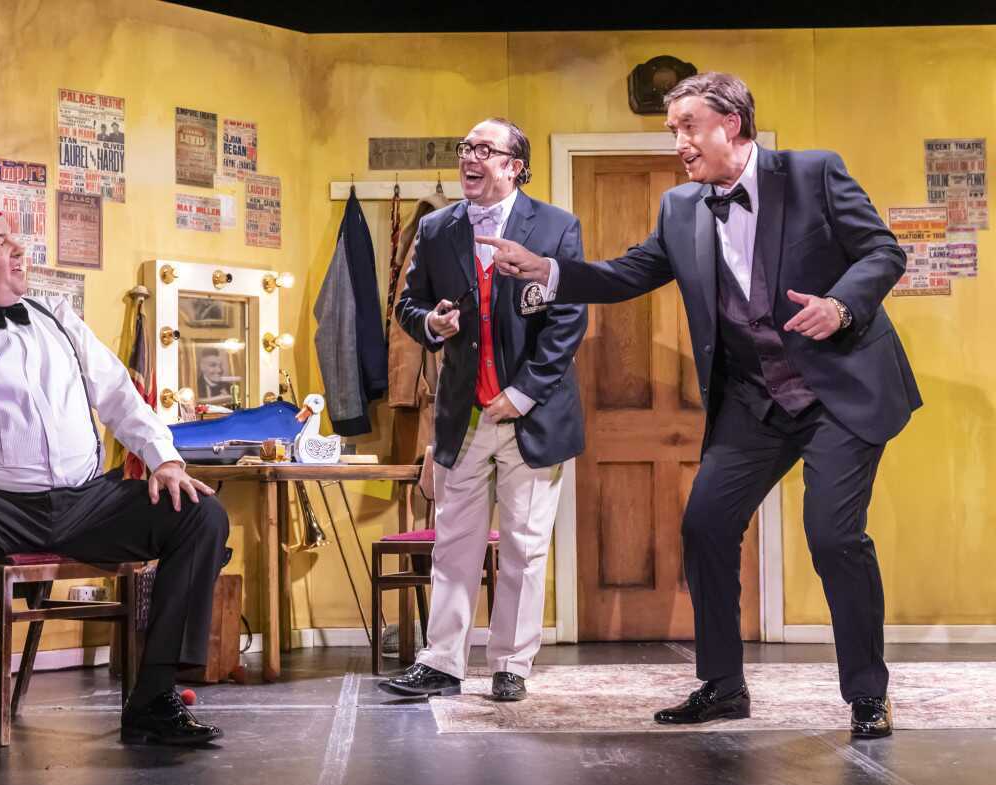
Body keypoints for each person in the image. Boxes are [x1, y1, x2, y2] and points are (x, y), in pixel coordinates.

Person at [478, 73, 920, 738]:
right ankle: (722, 685)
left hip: (841, 390)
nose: (678, 142)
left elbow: (883, 251)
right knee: (706, 527)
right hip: (755, 400)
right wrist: (549, 271)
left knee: (833, 537)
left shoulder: (813, 174)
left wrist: (840, 305)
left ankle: (867, 693)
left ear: (730, 124)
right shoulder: (680, 208)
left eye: (688, 126)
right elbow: (628, 274)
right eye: (673, 130)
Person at [0, 176, 229, 754]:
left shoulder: (57, 317)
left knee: (200, 513)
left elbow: (119, 395)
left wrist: (165, 461)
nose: (18, 249)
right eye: (0, 242)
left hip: (88, 502)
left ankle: (154, 698)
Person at [386, 118, 588, 702]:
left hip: (533, 416)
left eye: (483, 149)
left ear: (513, 166)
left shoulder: (555, 227)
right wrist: (431, 323)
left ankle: (511, 666)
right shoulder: (436, 228)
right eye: (465, 148)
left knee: (525, 546)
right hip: (464, 416)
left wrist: (522, 393)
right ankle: (441, 662)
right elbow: (407, 305)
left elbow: (569, 319)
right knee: (454, 544)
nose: (469, 158)